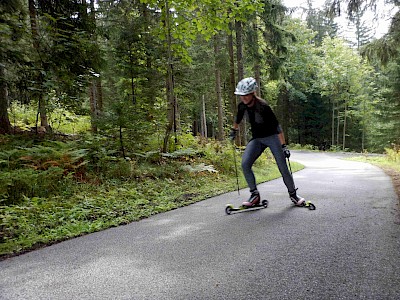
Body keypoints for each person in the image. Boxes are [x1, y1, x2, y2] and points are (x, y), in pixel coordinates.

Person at [229, 77, 305, 207]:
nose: (244, 98)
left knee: (282, 167)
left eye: (246, 95)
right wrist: (234, 131)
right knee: (245, 163)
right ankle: (255, 195)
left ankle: (293, 195)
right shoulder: (242, 105)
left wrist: (283, 146)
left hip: (272, 137)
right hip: (257, 139)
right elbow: (238, 118)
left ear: (253, 93)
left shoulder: (263, 106)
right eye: (241, 95)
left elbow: (277, 127)